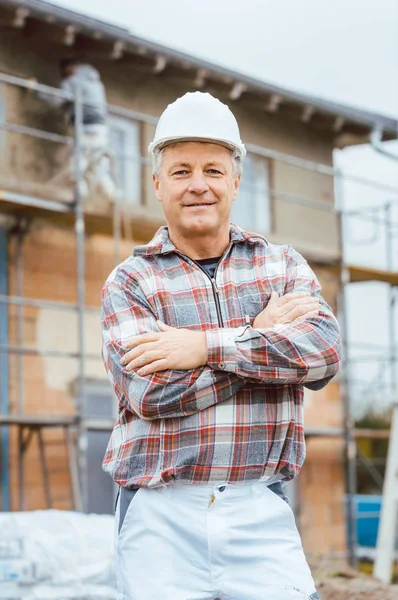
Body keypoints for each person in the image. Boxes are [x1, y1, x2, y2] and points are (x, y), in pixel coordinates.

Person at [101, 91, 342, 600]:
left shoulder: (281, 265)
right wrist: (260, 336)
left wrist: (204, 347)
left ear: (235, 181)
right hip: (159, 513)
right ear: (157, 184)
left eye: (213, 170)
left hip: (260, 505)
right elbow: (151, 395)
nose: (198, 186)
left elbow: (322, 353)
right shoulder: (131, 281)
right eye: (181, 170)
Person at [38, 58, 117, 204]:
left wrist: (36, 89)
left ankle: (80, 195)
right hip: (101, 131)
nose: (63, 76)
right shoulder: (96, 83)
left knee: (76, 166)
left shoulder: (73, 81)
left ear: (68, 69)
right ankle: (114, 198)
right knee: (98, 167)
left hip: (84, 129)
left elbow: (58, 99)